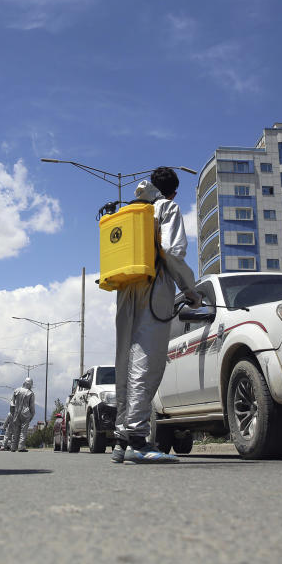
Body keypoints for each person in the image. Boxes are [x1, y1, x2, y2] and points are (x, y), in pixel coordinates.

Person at [112, 168, 199, 464]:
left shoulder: (132, 211)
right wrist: (190, 289)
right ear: (173, 192)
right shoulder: (167, 207)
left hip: (125, 290)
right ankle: (137, 439)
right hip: (155, 288)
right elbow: (172, 252)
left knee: (124, 362)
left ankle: (121, 440)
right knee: (146, 363)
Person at [8, 377, 35, 451]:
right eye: (31, 384)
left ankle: (13, 447)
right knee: (23, 431)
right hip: (26, 413)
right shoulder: (30, 393)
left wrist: (12, 412)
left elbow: (11, 403)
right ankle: (21, 447)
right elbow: (32, 406)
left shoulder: (16, 390)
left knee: (16, 430)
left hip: (16, 413)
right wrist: (32, 414)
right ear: (29, 384)